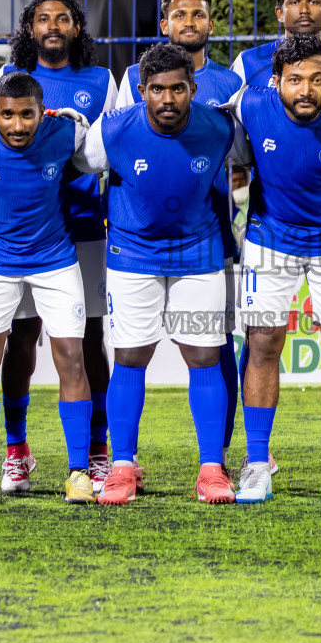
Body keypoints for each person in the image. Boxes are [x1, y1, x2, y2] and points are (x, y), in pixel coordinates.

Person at [72, 43, 238, 505]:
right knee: (129, 357)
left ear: (193, 89)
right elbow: (81, 163)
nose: (168, 99)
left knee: (204, 357)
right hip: (132, 256)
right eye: (158, 90)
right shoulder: (113, 130)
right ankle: (123, 466)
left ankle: (211, 469)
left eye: (178, 89)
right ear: (141, 90)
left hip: (199, 254)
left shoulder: (219, 127)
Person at [229, 33, 321, 504]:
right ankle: (256, 466)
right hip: (270, 238)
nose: (306, 90)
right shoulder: (249, 105)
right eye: (294, 80)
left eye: (316, 80)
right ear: (276, 82)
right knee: (263, 343)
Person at [117, 0, 245, 468]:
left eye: (199, 14)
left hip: (208, 231)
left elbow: (243, 156)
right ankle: (120, 459)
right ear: (164, 25)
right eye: (179, 14)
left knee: (216, 344)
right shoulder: (131, 76)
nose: (189, 21)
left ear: (211, 25)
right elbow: (118, 141)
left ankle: (225, 451)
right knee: (130, 353)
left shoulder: (230, 82)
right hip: (140, 240)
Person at [0, 71, 93, 505]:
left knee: (72, 357)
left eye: (27, 115)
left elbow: (97, 142)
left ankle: (79, 473)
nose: (18, 126)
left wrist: (77, 117)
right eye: (8, 115)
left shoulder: (65, 133)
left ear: (42, 111)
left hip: (55, 261)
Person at [0, 0, 115, 493]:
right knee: (19, 339)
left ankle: (97, 449)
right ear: (30, 29)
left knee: (88, 339)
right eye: (42, 18)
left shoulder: (101, 80)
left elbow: (109, 151)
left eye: (62, 18)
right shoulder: (11, 80)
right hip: (23, 231)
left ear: (75, 28)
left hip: (84, 226)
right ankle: (18, 450)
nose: (52, 26)